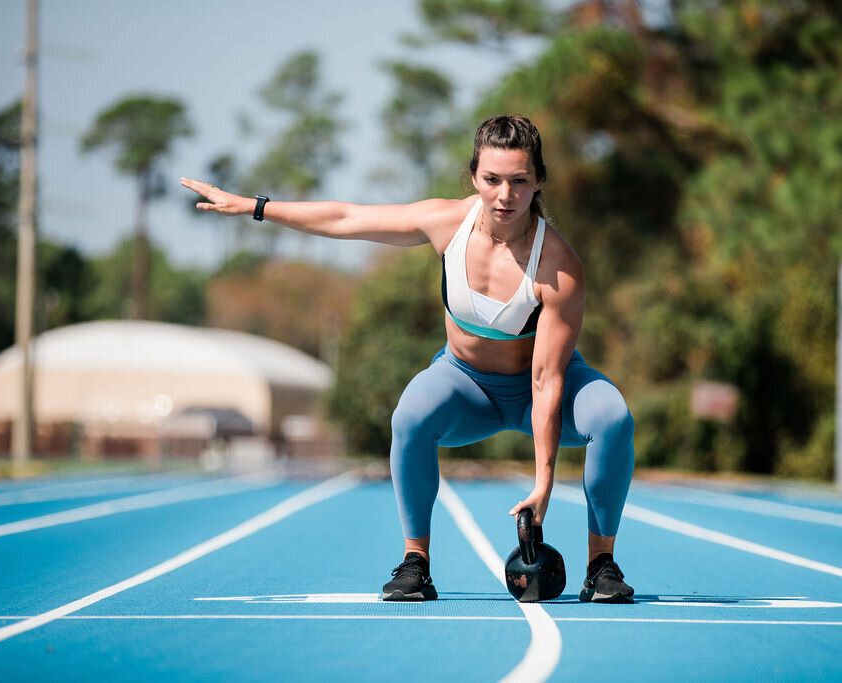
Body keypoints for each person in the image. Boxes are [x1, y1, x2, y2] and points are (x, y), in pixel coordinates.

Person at [181, 115, 636, 603]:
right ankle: (415, 562)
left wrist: (543, 480)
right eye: (492, 180)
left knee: (612, 416)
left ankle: (601, 565)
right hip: (466, 387)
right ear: (474, 176)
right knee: (411, 415)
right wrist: (255, 206)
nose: (505, 195)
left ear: (539, 180)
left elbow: (546, 379)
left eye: (520, 181)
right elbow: (346, 218)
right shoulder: (447, 223)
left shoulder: (559, 265)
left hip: (541, 388)